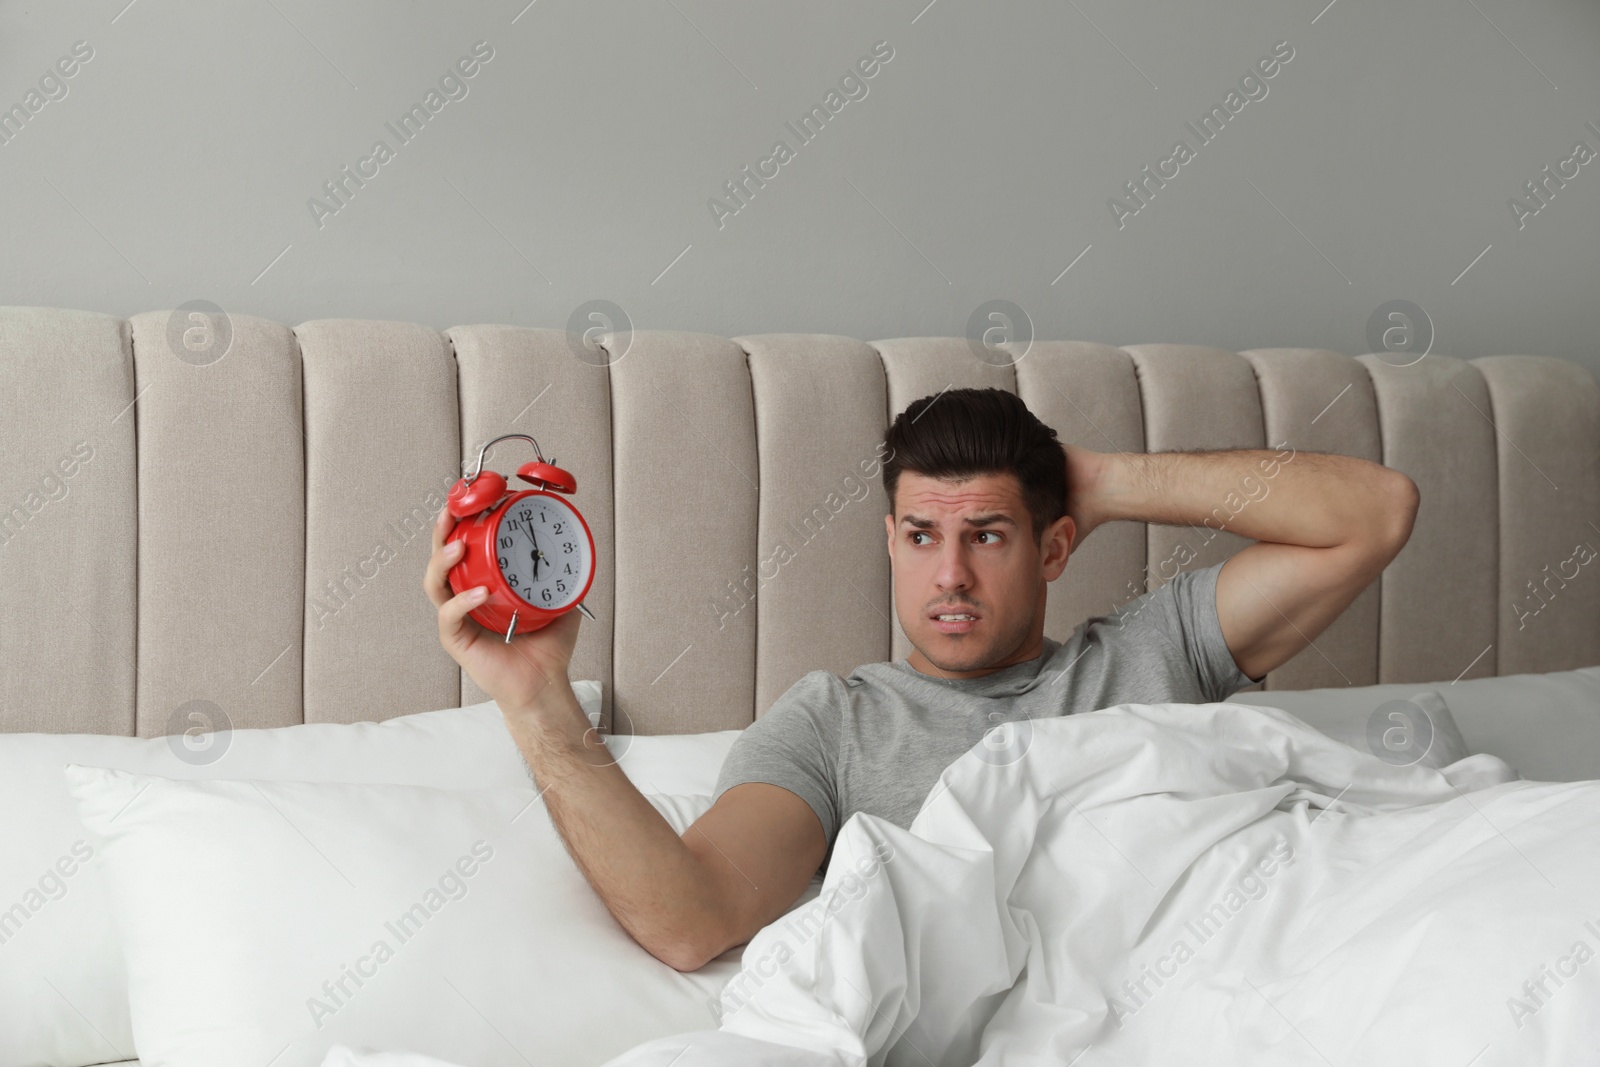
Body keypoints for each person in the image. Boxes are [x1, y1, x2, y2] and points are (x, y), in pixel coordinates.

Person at [425, 387, 1419, 972]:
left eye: (987, 534)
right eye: (919, 535)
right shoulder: (834, 723)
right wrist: (533, 696)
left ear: (1054, 543)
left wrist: (1102, 479)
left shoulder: (1153, 650)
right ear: (889, 541)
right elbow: (692, 917)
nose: (948, 574)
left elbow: (1373, 512)